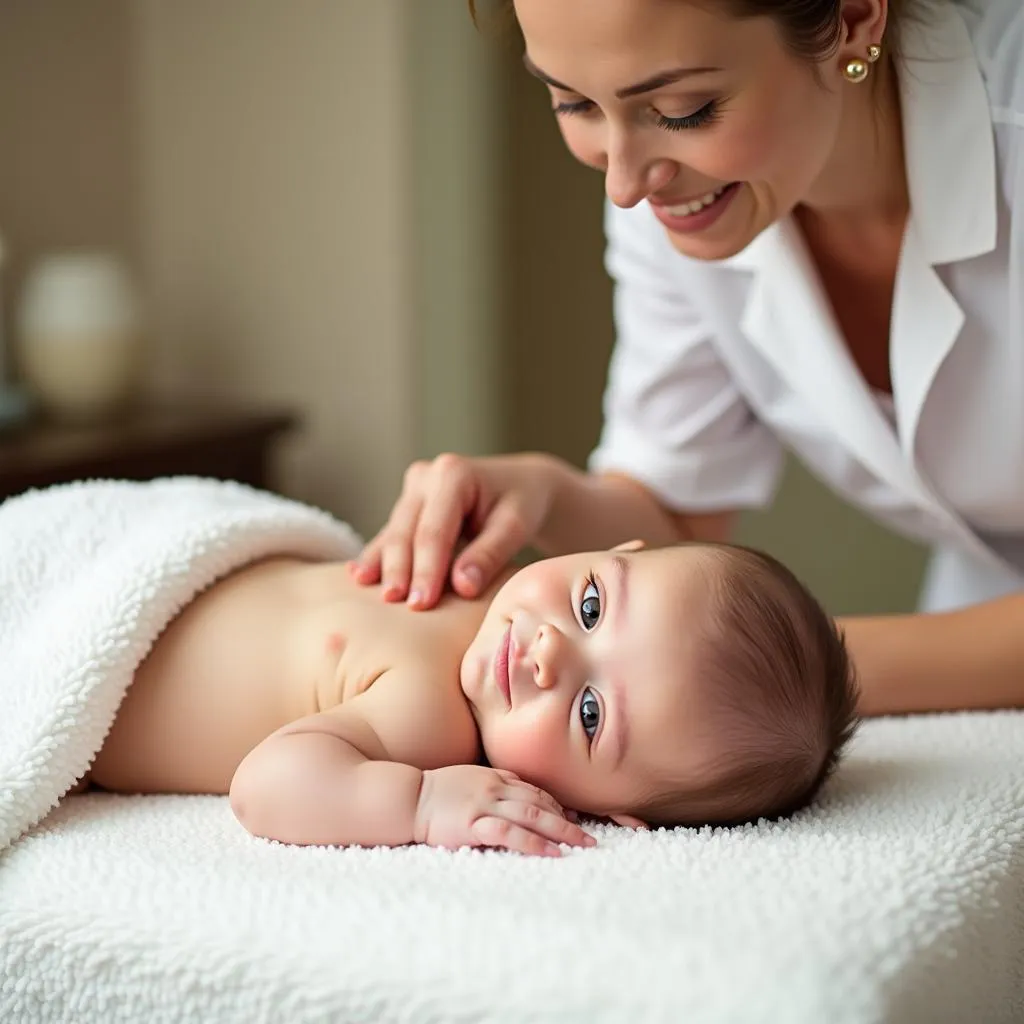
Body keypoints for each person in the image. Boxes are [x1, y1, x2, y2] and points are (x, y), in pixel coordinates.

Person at [352, 0, 1024, 720]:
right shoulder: (678, 198)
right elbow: (676, 518)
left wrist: (771, 674)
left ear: (854, 18)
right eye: (573, 101)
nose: (624, 183)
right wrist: (547, 494)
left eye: (683, 109)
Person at [83, 529, 856, 856]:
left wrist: (420, 804)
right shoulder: (477, 578)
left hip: (94, 672)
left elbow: (265, 786)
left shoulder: (432, 724)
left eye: (590, 714)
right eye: (590, 605)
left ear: (606, 808)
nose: (551, 651)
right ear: (614, 550)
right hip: (121, 572)